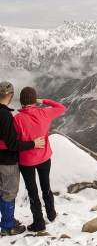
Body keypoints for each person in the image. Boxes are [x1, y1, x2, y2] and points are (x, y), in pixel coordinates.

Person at [13, 87, 66, 232]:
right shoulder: (44, 113)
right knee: (46, 186)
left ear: (22, 101)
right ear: (33, 100)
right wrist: (42, 101)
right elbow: (61, 107)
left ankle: (38, 222)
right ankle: (51, 213)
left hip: (26, 161)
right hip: (44, 158)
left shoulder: (16, 119)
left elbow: (14, 141)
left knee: (32, 192)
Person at [0, 81, 45, 236]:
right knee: (9, 193)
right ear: (12, 95)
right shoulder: (6, 115)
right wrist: (33, 144)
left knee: (1, 191)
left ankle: (7, 221)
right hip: (6, 162)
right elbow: (12, 143)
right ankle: (7, 226)